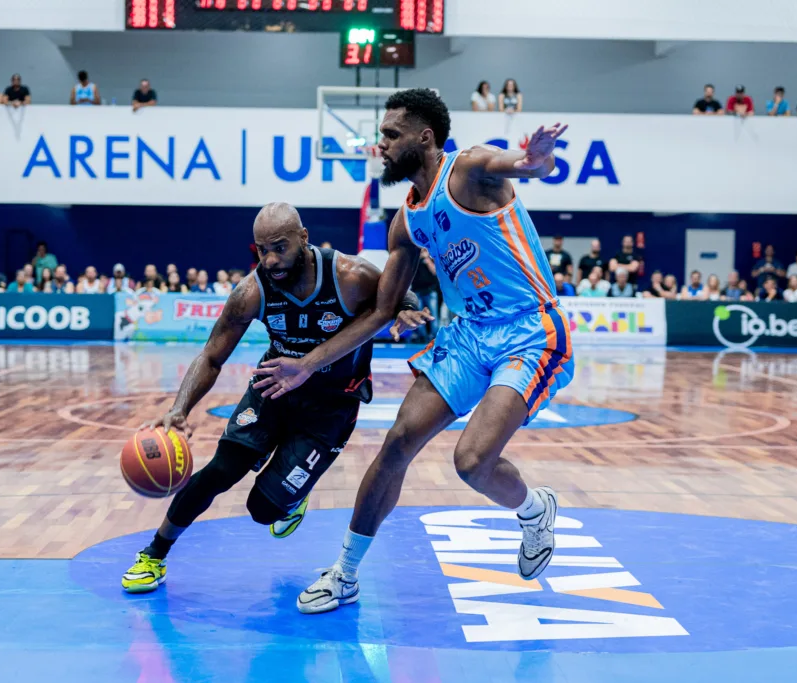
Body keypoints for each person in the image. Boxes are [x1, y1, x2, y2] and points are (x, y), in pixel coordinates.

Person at [249, 89, 573, 613]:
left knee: (471, 462)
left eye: (390, 135)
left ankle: (535, 511)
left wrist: (535, 158)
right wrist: (306, 366)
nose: (380, 144)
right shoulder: (406, 222)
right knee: (397, 441)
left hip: (530, 331)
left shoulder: (467, 170)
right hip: (469, 335)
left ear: (424, 138)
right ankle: (346, 574)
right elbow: (380, 313)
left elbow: (521, 163)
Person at [120, 203, 420, 593]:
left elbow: (399, 293)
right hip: (274, 388)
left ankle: (294, 495)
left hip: (330, 407)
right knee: (219, 472)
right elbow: (211, 356)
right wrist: (179, 410)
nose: (271, 259)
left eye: (280, 247)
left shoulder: (348, 275)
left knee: (262, 511)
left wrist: (408, 309)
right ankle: (154, 554)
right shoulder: (252, 291)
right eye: (262, 250)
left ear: (304, 238)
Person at [410, 249, 440, 343]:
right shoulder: (414, 260)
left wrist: (427, 259)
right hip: (417, 291)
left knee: (433, 315)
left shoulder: (430, 259)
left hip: (430, 291)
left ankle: (435, 336)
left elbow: (435, 272)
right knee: (419, 316)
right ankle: (422, 336)